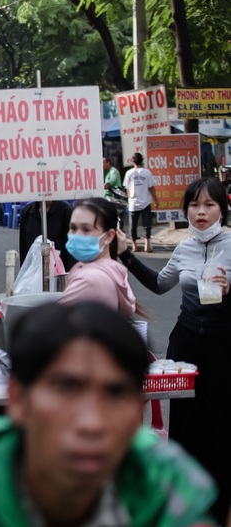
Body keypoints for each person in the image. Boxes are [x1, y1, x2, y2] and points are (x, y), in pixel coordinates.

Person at [0, 300, 217, 527]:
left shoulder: (163, 478)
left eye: (117, 393)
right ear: (18, 399)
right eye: (66, 388)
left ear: (139, 409)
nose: (92, 423)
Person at [119, 176, 231, 522]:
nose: (200, 212)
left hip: (225, 345)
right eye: (194, 205)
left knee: (222, 428)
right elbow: (159, 284)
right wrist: (126, 255)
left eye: (209, 205)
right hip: (186, 343)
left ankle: (220, 509)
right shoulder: (183, 247)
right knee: (186, 427)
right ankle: (186, 508)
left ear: (221, 209)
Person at [59, 197, 135, 317]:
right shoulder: (113, 269)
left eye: (86, 229)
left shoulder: (89, 278)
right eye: (73, 228)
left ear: (109, 236)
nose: (77, 235)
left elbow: (55, 323)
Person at [18, 199, 78, 272]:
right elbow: (24, 248)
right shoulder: (26, 212)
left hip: (60, 272)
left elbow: (72, 248)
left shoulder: (66, 211)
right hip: (33, 271)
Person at [123, 152, 159, 253]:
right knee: (147, 224)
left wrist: (130, 198)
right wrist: (156, 200)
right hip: (146, 202)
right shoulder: (147, 172)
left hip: (133, 203)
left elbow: (127, 189)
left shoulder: (129, 173)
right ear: (142, 161)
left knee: (133, 226)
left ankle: (135, 246)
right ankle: (147, 245)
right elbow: (151, 188)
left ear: (133, 161)